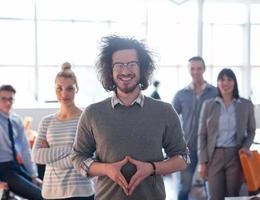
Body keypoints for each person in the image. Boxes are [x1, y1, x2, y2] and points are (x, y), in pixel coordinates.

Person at [71, 35, 189, 200]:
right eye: (119, 65)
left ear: (142, 69)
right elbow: (78, 157)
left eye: (132, 64)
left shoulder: (164, 111)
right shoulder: (92, 113)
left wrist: (152, 168)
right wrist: (106, 169)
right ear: (109, 70)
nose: (125, 71)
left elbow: (182, 158)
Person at [32, 62, 95, 200]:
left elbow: (90, 156)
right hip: (51, 191)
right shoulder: (46, 122)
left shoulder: (86, 119)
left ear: (76, 89)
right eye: (59, 88)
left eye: (69, 88)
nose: (64, 94)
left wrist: (49, 156)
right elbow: (36, 156)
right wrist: (73, 150)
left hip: (80, 192)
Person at [198, 68, 256, 200]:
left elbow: (251, 130)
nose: (226, 83)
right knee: (214, 195)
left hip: (235, 155)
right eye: (222, 79)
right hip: (214, 156)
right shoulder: (208, 105)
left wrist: (246, 146)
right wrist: (202, 162)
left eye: (229, 79)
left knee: (233, 195)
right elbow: (202, 135)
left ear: (234, 83)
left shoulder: (245, 104)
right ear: (218, 83)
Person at [0, 85, 42, 200]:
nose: (7, 102)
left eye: (10, 99)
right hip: (2, 169)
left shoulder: (16, 119)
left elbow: (25, 149)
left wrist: (33, 175)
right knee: (39, 196)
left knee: (44, 190)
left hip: (15, 165)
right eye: (4, 99)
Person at [172, 56, 217, 200]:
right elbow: (170, 120)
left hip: (209, 149)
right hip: (187, 148)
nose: (196, 72)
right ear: (189, 70)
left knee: (211, 189)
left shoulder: (215, 93)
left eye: (199, 68)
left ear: (204, 69)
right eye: (192, 68)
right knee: (183, 188)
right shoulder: (181, 95)